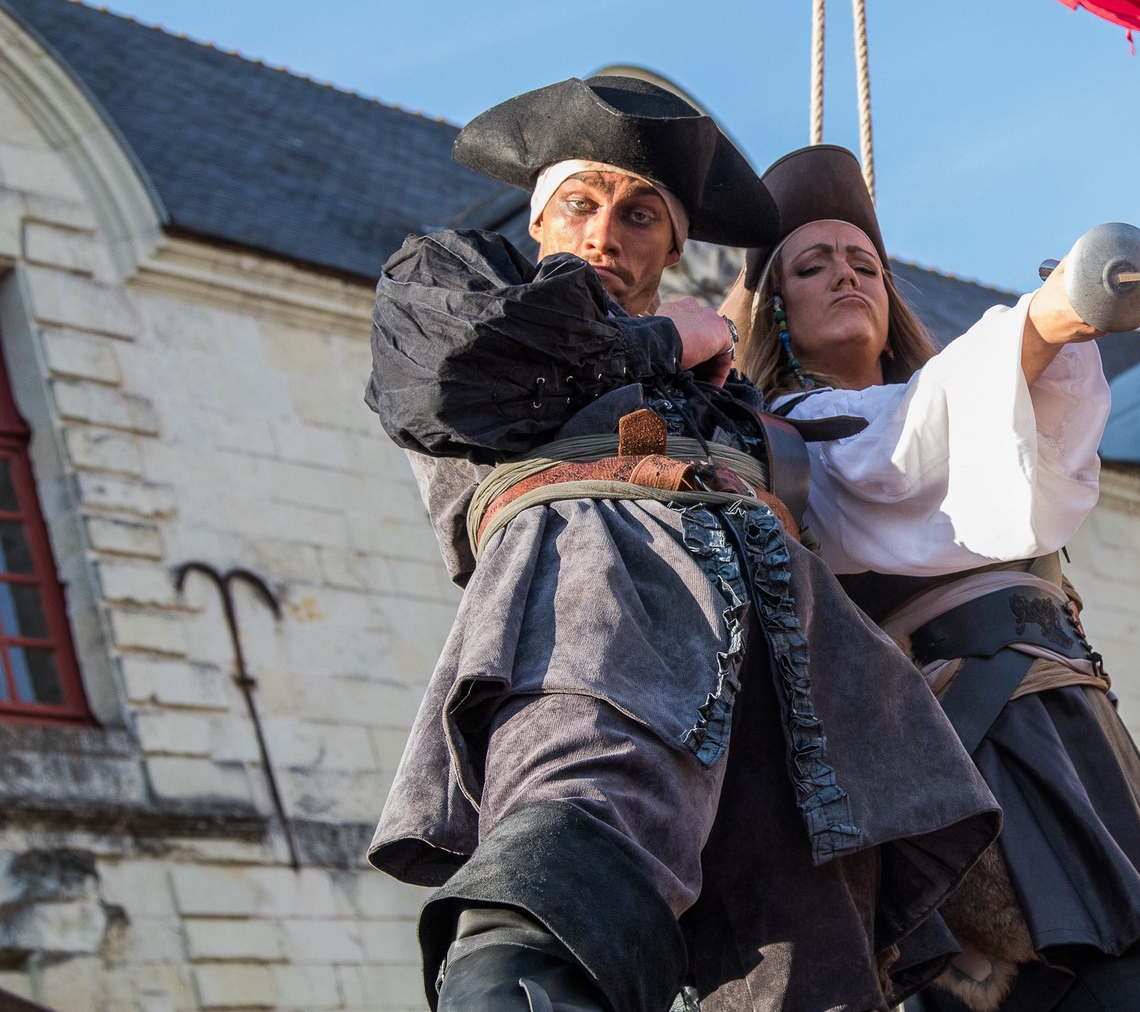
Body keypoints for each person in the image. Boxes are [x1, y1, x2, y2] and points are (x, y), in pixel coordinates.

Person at [364, 81, 1000, 1012]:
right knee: (558, 885)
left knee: (809, 968)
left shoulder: (732, 392)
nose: (604, 234)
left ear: (673, 246)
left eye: (640, 214)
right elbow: (454, 373)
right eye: (580, 204)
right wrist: (659, 338)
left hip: (787, 664)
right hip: (591, 604)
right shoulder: (457, 276)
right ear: (539, 217)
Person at [723, 145, 1140, 1012]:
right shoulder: (792, 438)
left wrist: (1053, 331)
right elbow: (904, 443)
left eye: (865, 265)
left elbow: (1003, 427)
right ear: (776, 307)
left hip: (1069, 728)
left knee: (1136, 982)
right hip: (961, 745)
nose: (847, 277)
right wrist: (1050, 316)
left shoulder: (969, 409)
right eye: (813, 266)